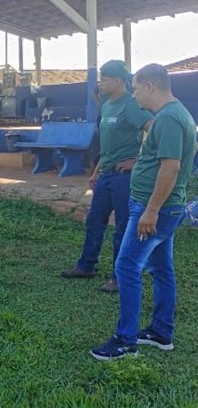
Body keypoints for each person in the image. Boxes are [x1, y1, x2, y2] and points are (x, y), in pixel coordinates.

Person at [90, 64, 198, 361]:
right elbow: (186, 151)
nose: (134, 96)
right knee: (161, 268)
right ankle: (161, 332)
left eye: (136, 89)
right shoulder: (179, 114)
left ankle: (125, 341)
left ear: (150, 86)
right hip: (164, 206)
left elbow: (171, 167)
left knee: (126, 266)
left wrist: (150, 211)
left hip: (155, 208)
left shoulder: (168, 117)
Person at [62, 60, 153, 293]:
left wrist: (139, 161)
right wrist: (97, 171)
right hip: (106, 174)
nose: (100, 83)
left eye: (104, 79)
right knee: (95, 220)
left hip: (124, 177)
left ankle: (119, 277)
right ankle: (86, 266)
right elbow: (108, 144)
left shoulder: (131, 105)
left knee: (123, 226)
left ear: (118, 81)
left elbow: (154, 130)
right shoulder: (106, 106)